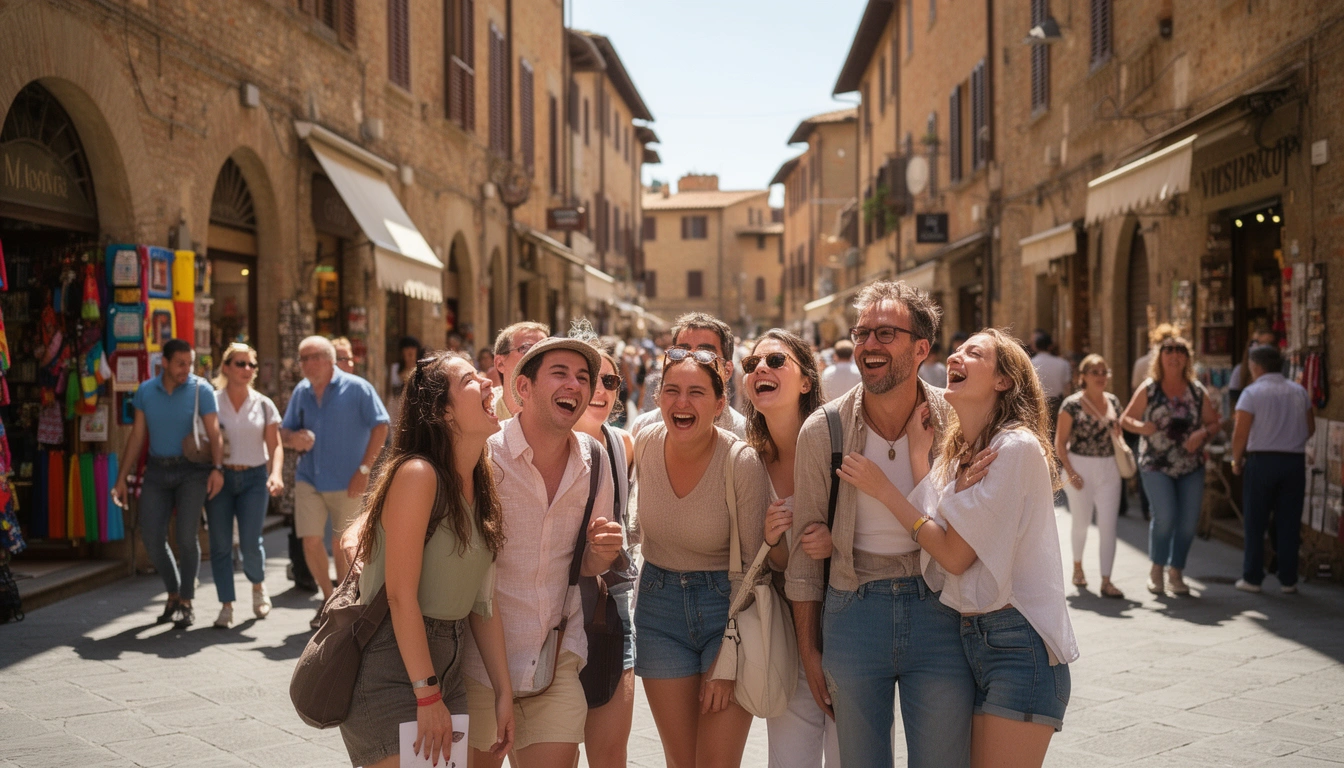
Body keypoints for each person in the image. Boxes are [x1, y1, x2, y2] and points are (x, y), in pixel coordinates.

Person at [838, 328, 1079, 768]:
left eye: (975, 352)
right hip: (975, 642)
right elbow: (931, 520)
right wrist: (919, 454)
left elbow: (951, 553)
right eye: (957, 349)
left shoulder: (1015, 447)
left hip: (1020, 645)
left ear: (1004, 380)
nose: (957, 356)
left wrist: (880, 486)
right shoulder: (966, 452)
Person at [786, 281, 976, 768]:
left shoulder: (957, 422)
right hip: (853, 612)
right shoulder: (823, 430)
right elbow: (804, 559)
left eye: (885, 333)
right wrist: (809, 649)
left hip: (939, 608)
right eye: (862, 333)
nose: (868, 344)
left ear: (920, 349)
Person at [338, 352, 515, 768]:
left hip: (446, 667)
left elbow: (483, 606)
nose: (489, 382)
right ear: (442, 412)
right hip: (392, 664)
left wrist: (503, 691)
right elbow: (400, 596)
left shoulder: (481, 480)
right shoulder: (418, 474)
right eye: (471, 380)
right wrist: (427, 693)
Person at [463, 337, 624, 768]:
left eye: (583, 378)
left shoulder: (595, 459)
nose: (574, 384)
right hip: (476, 664)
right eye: (560, 373)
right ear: (523, 388)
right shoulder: (483, 455)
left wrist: (603, 552)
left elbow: (587, 566)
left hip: (556, 661)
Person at [630, 348, 772, 768]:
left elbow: (753, 569)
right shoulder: (645, 444)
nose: (681, 402)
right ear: (657, 399)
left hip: (725, 612)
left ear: (720, 404)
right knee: (680, 762)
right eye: (671, 390)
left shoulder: (741, 460)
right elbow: (640, 525)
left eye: (696, 392)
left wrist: (726, 660)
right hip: (659, 611)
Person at [741, 330, 839, 767]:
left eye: (776, 361)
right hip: (785, 631)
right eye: (752, 364)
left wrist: (836, 540)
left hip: (846, 627)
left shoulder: (840, 438)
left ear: (805, 380)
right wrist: (772, 540)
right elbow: (778, 564)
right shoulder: (749, 459)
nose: (760, 368)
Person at [112, 338, 225, 629]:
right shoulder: (146, 391)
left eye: (189, 363)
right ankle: (173, 592)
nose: (185, 369)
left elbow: (214, 433)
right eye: (179, 364)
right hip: (157, 471)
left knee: (187, 538)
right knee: (150, 536)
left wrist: (218, 469)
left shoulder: (202, 390)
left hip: (192, 472)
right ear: (164, 362)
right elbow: (136, 437)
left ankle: (186, 601)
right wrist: (121, 478)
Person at [281, 336, 390, 624]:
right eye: (302, 358)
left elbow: (381, 426)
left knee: (344, 543)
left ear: (329, 360)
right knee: (310, 540)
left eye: (312, 357)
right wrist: (294, 438)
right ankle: (328, 598)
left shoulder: (357, 388)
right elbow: (284, 432)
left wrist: (365, 471)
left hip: (349, 479)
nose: (305, 364)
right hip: (309, 478)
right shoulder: (301, 392)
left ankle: (345, 600)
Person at [570, 326, 640, 768]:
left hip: (609, 608)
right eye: (589, 377)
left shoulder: (623, 444)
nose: (600, 390)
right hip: (547, 609)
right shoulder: (530, 442)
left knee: (610, 754)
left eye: (610, 381)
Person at [1121, 336, 1220, 597]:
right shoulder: (1150, 388)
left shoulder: (1197, 391)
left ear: (1187, 357)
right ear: (1160, 357)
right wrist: (1143, 427)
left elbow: (1214, 423)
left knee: (1188, 523)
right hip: (1156, 463)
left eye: (1180, 350)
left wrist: (1202, 434)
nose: (1174, 354)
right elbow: (1126, 419)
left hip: (1190, 465)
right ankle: (1157, 568)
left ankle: (1176, 571)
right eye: (1168, 350)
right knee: (1165, 517)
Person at [206, 343, 285, 628]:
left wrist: (275, 474)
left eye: (251, 364)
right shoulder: (211, 401)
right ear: (225, 367)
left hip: (253, 478)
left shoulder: (264, 404)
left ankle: (257, 585)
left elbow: (275, 446)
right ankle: (226, 605)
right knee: (220, 544)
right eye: (240, 364)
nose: (247, 370)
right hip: (220, 477)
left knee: (251, 542)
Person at [1231, 344, 1314, 594]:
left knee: (1255, 521)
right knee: (1289, 522)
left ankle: (1252, 578)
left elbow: (1240, 432)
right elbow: (1310, 428)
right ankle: (1289, 580)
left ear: (1256, 367)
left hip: (1262, 461)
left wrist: (1236, 460)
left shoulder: (1252, 393)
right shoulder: (1299, 391)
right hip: (1293, 462)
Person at [1055, 355, 1125, 599]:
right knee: (1081, 523)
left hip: (1109, 468)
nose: (1100, 376)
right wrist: (1071, 472)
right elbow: (1060, 443)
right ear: (1083, 376)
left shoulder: (1114, 402)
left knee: (1108, 526)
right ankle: (1077, 566)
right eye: (1094, 371)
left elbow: (1119, 438)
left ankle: (1106, 580)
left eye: (1104, 371)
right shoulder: (1071, 405)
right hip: (1080, 466)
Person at [630, 312, 748, 438]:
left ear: (727, 370)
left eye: (705, 355)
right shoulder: (643, 429)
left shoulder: (744, 435)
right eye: (682, 352)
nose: (691, 361)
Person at [490, 321, 550, 420]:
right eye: (527, 349)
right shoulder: (482, 412)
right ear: (500, 363)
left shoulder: (562, 414)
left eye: (546, 352)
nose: (539, 358)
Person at [1228, 327, 1280, 406]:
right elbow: (1234, 402)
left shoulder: (1283, 370)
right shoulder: (1240, 370)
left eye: (1269, 344)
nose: (1264, 348)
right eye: (1258, 343)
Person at [1029, 330, 1071, 425]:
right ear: (1050, 346)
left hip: (1037, 404)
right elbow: (1067, 388)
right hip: (1057, 404)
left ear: (1036, 346)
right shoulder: (1063, 363)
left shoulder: (1030, 363)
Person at [387, 336, 425, 426]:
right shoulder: (395, 369)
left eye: (412, 348)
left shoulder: (422, 369)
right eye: (406, 348)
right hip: (397, 409)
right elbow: (394, 390)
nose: (410, 351)